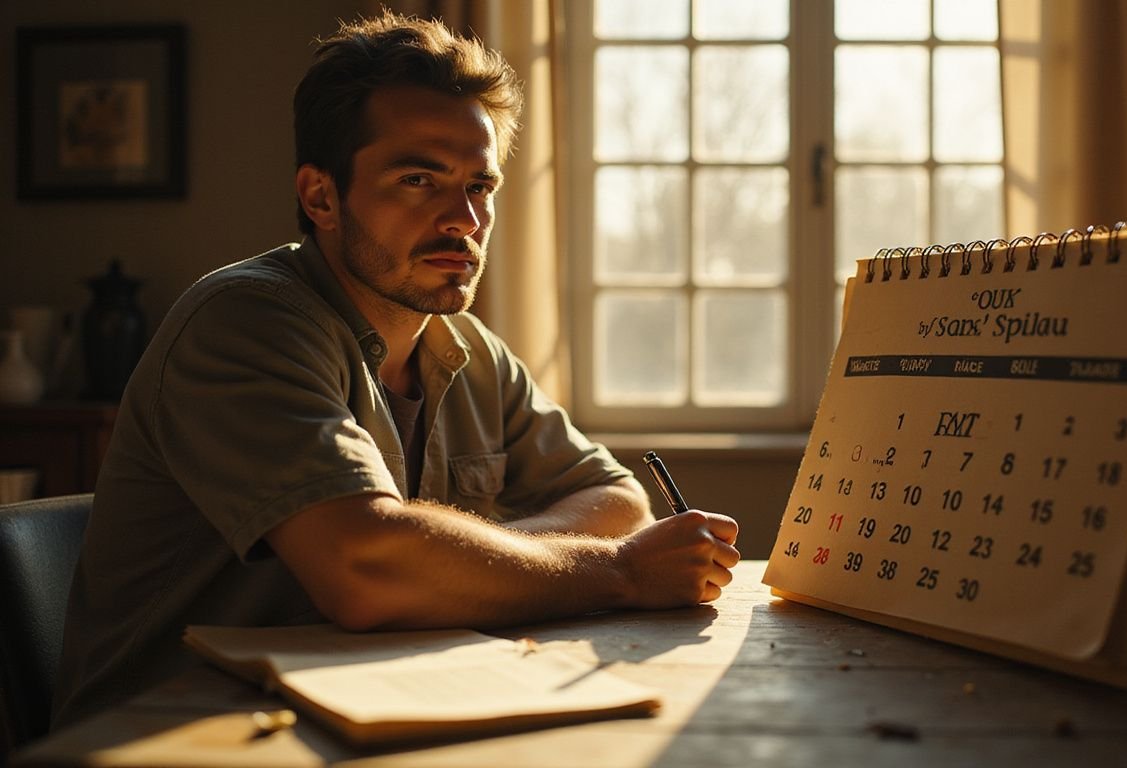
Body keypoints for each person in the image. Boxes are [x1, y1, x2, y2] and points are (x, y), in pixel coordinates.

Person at [51, 11, 739, 729]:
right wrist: (617, 573)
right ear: (321, 196)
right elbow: (365, 571)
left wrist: (454, 568)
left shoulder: (466, 348)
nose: (466, 220)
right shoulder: (244, 321)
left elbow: (616, 498)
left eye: (481, 186)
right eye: (420, 179)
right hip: (171, 732)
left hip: (373, 710)